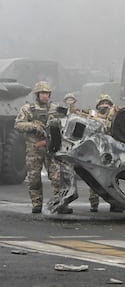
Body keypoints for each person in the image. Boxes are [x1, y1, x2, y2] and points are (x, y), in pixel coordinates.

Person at [14, 81, 72, 214]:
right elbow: (18, 124)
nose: (45, 96)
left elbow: (68, 119)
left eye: (47, 93)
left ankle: (60, 203)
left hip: (51, 148)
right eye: (42, 93)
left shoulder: (55, 108)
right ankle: (37, 203)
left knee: (58, 177)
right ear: (37, 94)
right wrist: (34, 126)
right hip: (34, 148)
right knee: (34, 178)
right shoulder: (28, 109)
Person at [89, 94, 123, 212]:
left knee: (113, 179)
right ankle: (94, 203)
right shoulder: (92, 116)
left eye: (107, 103)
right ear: (98, 106)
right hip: (97, 150)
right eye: (102, 103)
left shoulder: (115, 117)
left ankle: (115, 204)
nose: (105, 106)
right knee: (94, 177)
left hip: (112, 151)